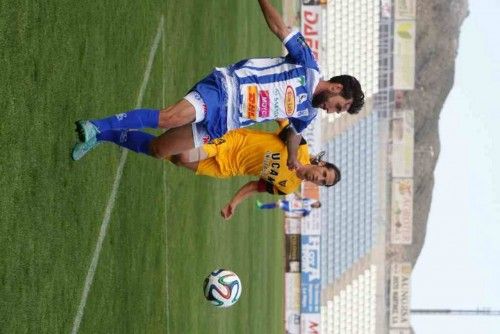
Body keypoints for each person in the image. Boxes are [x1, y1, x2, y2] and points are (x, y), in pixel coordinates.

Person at [72, 0, 364, 168]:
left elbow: (294, 135)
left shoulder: (308, 113)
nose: (332, 111)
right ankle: (97, 126)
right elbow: (279, 27)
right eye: (339, 107)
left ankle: (101, 137)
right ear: (337, 88)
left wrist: (293, 159)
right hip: (225, 90)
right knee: (169, 117)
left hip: (226, 122)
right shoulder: (308, 65)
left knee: (161, 150)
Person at [169, 122, 340, 220]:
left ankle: (149, 142)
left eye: (323, 182)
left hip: (228, 169)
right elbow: (282, 119)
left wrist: (233, 203)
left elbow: (254, 186)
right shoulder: (299, 146)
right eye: (324, 174)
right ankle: (179, 124)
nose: (319, 178)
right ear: (321, 164)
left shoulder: (287, 187)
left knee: (174, 158)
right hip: (232, 142)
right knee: (184, 155)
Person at [256, 193, 321, 218]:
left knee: (278, 203)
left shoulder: (308, 211)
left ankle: (261, 206)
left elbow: (300, 216)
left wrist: (290, 217)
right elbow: (301, 198)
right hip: (290, 203)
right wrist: (294, 192)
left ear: (316, 207)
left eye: (316, 205)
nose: (315, 204)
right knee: (275, 204)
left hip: (290, 208)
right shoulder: (309, 200)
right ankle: (261, 206)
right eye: (316, 203)